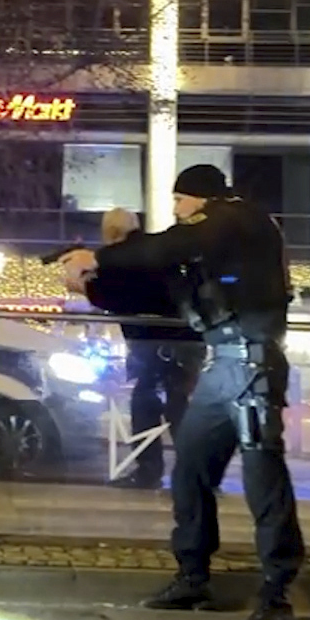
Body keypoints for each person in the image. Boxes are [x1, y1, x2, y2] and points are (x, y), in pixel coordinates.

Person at [60, 164, 305, 620]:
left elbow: (169, 246)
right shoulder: (217, 243)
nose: (175, 211)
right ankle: (193, 578)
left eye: (179, 201)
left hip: (252, 366)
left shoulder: (237, 219)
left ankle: (277, 596)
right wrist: (93, 287)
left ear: (199, 198)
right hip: (223, 367)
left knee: (264, 481)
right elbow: (161, 289)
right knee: (190, 464)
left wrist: (102, 256)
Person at [83, 208, 203, 491]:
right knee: (178, 407)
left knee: (147, 405)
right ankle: (197, 475)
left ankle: (149, 472)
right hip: (184, 342)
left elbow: (112, 297)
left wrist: (86, 287)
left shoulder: (122, 259)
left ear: (111, 233)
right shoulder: (156, 251)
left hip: (154, 345)